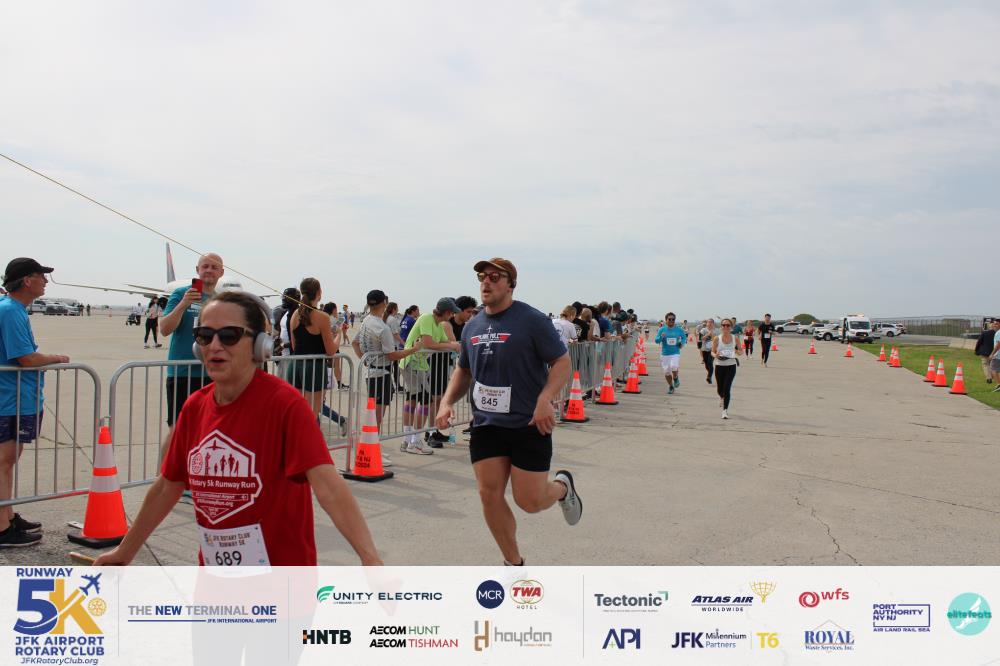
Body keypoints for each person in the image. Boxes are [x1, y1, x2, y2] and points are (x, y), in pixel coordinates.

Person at [94, 290, 382, 567]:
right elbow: (167, 486)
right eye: (204, 336)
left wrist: (370, 559)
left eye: (229, 335)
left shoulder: (285, 405)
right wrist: (125, 551)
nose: (214, 346)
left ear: (259, 345)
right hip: (214, 582)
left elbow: (329, 487)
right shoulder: (195, 407)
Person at [435, 257, 581, 567]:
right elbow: (463, 370)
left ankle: (562, 488)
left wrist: (545, 399)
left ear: (511, 284)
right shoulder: (472, 326)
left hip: (528, 422)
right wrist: (446, 402)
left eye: (494, 277)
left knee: (529, 501)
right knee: (488, 495)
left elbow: (562, 361)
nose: (486, 282)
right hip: (487, 424)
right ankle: (513, 563)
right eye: (482, 277)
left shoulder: (532, 320)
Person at [0, 258, 69, 548]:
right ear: (27, 281)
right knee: (4, 461)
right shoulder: (9, 311)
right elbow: (26, 358)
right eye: (42, 276)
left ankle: (7, 515)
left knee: (8, 461)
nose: (46, 281)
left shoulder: (13, 309)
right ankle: (2, 528)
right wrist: (56, 358)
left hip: (17, 397)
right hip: (11, 399)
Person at [159, 253, 224, 463]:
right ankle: (164, 476)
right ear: (197, 270)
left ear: (221, 272)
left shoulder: (220, 301)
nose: (209, 270)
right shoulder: (181, 293)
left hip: (211, 374)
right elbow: (164, 329)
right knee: (177, 430)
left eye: (214, 267)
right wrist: (183, 304)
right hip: (182, 374)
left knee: (208, 428)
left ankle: (196, 474)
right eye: (205, 266)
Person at [353, 290, 421, 460]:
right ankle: (371, 451)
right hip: (381, 373)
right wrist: (413, 349)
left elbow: (355, 342)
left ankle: (372, 448)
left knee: (373, 414)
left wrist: (365, 359)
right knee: (377, 416)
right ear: (384, 303)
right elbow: (392, 355)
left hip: (371, 372)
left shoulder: (366, 321)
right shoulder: (382, 327)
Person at [400, 298, 461, 450]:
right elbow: (429, 343)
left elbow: (446, 342)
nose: (452, 316)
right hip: (412, 363)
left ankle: (407, 439)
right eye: (452, 313)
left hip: (419, 365)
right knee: (426, 401)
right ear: (446, 312)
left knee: (412, 400)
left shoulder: (438, 325)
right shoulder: (427, 318)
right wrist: (452, 345)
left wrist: (453, 345)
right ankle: (414, 440)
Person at [289, 278, 336, 421]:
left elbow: (294, 346)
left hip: (295, 366)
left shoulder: (295, 315)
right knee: (310, 416)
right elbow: (330, 351)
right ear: (318, 293)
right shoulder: (322, 317)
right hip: (314, 368)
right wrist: (339, 336)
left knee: (297, 414)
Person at [713, 318, 743, 419]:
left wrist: (736, 351)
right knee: (720, 389)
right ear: (721, 327)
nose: (725, 327)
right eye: (723, 325)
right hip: (719, 366)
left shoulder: (735, 338)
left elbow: (741, 352)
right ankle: (721, 396)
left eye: (728, 325)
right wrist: (715, 355)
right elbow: (712, 351)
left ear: (731, 327)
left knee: (727, 388)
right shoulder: (717, 338)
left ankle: (725, 411)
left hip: (731, 366)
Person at [654, 312, 687, 394]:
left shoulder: (679, 329)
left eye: (673, 319)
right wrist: (661, 337)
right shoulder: (662, 329)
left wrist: (681, 343)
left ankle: (675, 378)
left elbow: (684, 338)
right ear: (666, 320)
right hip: (665, 354)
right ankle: (671, 386)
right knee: (667, 372)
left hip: (675, 352)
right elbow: (656, 340)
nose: (671, 321)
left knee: (674, 366)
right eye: (669, 319)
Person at [975, 319, 1000, 384]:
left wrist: (976, 350)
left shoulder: (985, 333)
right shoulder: (996, 333)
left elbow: (979, 342)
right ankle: (993, 378)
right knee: (992, 366)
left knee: (985, 365)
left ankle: (989, 378)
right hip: (994, 352)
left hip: (986, 352)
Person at [699, 319, 716, 383]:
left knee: (710, 362)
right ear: (706, 323)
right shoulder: (703, 330)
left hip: (713, 349)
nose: (710, 323)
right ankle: (710, 372)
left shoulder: (716, 331)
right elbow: (700, 338)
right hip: (704, 349)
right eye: (709, 322)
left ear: (713, 323)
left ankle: (709, 377)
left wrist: (712, 335)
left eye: (711, 322)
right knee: (706, 364)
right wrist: (708, 334)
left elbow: (717, 340)